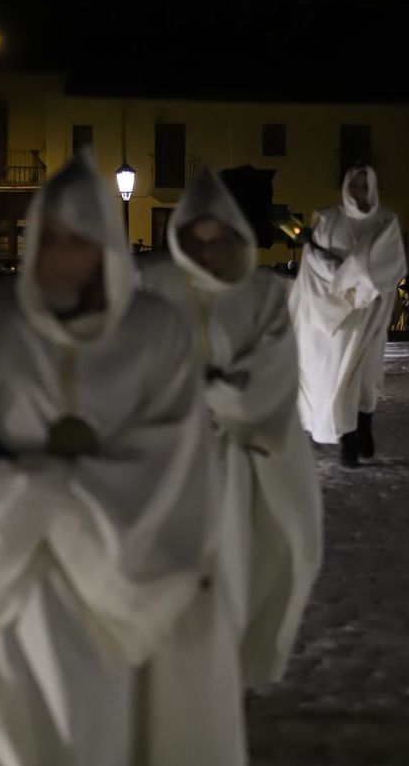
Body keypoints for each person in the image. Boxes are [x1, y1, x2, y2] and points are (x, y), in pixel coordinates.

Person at [0, 153, 244, 766]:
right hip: (9, 591)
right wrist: (36, 484)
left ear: (106, 249)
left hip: (115, 598)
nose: (60, 257)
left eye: (77, 241)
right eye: (49, 239)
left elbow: (171, 460)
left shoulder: (155, 336)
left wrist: (51, 491)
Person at [145, 167, 322, 690]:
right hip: (169, 461)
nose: (204, 254)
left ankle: (227, 668)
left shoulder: (262, 294)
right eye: (193, 242)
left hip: (235, 462)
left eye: (215, 241)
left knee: (237, 567)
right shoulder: (150, 291)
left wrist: (210, 396)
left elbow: (270, 377)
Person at [292, 164, 408, 468]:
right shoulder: (328, 220)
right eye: (354, 186)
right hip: (335, 316)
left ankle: (364, 426)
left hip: (369, 311)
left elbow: (389, 263)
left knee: (366, 376)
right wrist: (344, 278)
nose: (359, 191)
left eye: (364, 185)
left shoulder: (386, 222)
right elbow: (314, 264)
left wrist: (357, 279)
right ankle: (348, 441)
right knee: (337, 376)